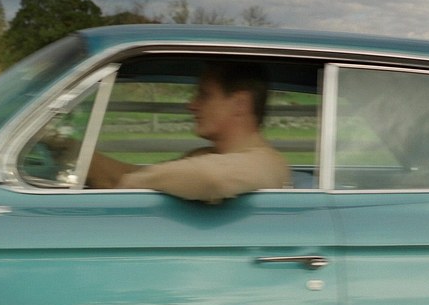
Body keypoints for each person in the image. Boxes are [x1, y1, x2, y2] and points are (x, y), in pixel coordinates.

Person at [85, 62, 291, 203]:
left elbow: (212, 178)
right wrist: (78, 154)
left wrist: (134, 183)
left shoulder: (266, 163)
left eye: (204, 95)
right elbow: (135, 174)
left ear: (240, 104)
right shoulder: (207, 156)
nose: (191, 105)